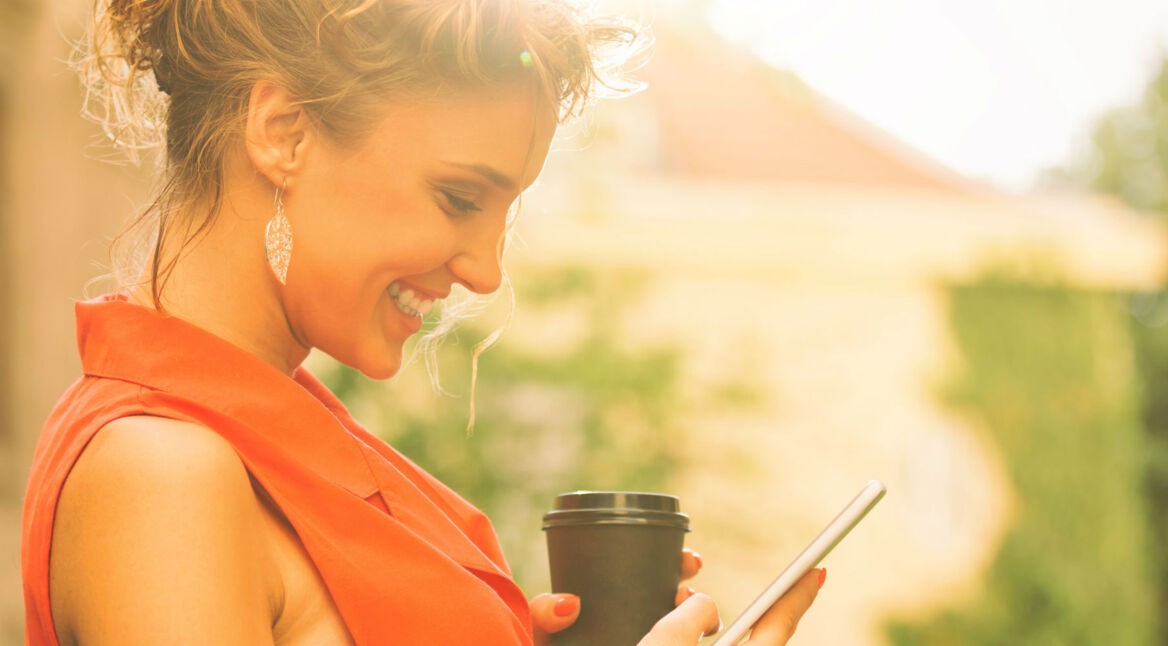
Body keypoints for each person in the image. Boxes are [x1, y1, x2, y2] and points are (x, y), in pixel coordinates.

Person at [21, 0, 824, 643]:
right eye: (460, 199)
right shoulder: (161, 475)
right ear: (283, 132)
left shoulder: (291, 448)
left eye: (505, 216)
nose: (486, 271)